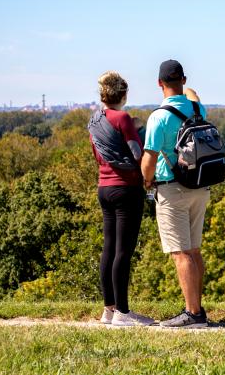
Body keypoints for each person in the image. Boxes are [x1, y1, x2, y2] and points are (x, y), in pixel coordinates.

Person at [141, 59, 211, 328]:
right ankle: (197, 309)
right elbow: (194, 94)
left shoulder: (158, 117)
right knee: (193, 251)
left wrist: (146, 182)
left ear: (159, 83)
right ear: (182, 79)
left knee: (180, 254)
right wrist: (185, 86)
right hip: (199, 187)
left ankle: (193, 314)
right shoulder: (197, 109)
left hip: (172, 188)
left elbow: (149, 160)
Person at [89, 71, 154, 327]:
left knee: (109, 248)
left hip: (104, 188)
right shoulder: (123, 117)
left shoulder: (94, 120)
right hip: (127, 188)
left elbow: (98, 155)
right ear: (124, 95)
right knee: (123, 252)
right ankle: (123, 313)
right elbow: (138, 154)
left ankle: (109, 309)